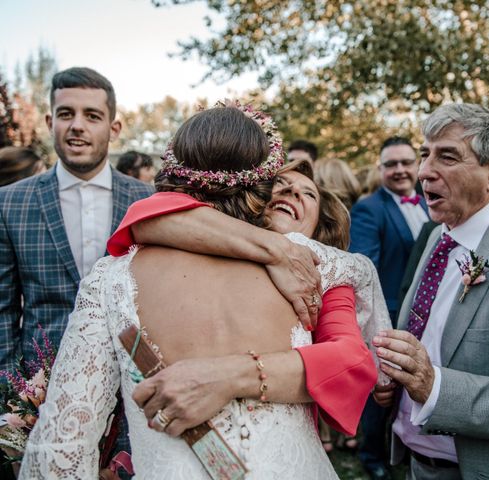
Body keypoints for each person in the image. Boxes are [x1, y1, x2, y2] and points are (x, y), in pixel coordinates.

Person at [20, 104, 382, 479]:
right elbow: (368, 309)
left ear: (172, 175)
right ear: (262, 187)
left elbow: (64, 445)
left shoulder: (110, 280)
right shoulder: (312, 263)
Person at [373, 103, 489, 479]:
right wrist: (397, 381)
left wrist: (434, 386)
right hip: (416, 464)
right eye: (426, 154)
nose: (424, 171)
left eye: (447, 156)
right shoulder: (438, 236)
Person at [0, 67, 154, 372]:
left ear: (114, 128)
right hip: (40, 388)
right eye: (66, 114)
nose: (77, 126)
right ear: (50, 122)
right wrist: (9, 399)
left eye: (93, 116)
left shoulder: (147, 200)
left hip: (132, 384)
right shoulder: (9, 203)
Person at [349, 136, 429, 479]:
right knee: (381, 391)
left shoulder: (430, 202)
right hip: (391, 316)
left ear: (417, 165)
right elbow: (365, 270)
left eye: (406, 162)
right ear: (381, 169)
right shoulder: (369, 208)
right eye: (391, 164)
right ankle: (372, 456)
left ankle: (415, 447)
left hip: (428, 312)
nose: (400, 170)